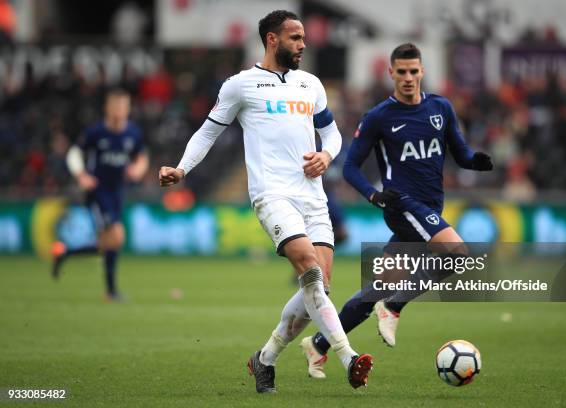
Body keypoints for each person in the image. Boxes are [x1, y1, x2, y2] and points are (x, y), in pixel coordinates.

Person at [158, 10, 373, 393]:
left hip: (313, 197)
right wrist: (181, 169)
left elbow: (333, 135)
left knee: (319, 287)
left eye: (304, 37)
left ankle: (265, 358)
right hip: (272, 194)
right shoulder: (240, 86)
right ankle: (347, 356)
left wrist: (326, 156)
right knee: (308, 268)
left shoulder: (311, 85)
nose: (303, 44)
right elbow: (207, 132)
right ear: (272, 39)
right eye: (295, 38)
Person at [299, 43, 493, 378]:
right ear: (391, 73)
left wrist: (475, 161)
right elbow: (351, 168)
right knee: (457, 253)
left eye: (413, 71)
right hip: (402, 204)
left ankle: (318, 343)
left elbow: (460, 154)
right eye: (401, 72)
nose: (407, 78)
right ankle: (394, 307)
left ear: (422, 72)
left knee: (379, 285)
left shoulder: (440, 108)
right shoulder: (379, 117)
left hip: (429, 207)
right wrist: (374, 196)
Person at [51, 89, 149, 302]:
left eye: (124, 106)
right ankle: (111, 292)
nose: (120, 111)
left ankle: (65, 254)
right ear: (108, 108)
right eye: (117, 106)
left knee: (108, 243)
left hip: (117, 192)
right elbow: (74, 154)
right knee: (116, 235)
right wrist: (81, 176)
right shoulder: (95, 132)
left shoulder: (132, 133)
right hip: (98, 191)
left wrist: (138, 169)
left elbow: (141, 157)